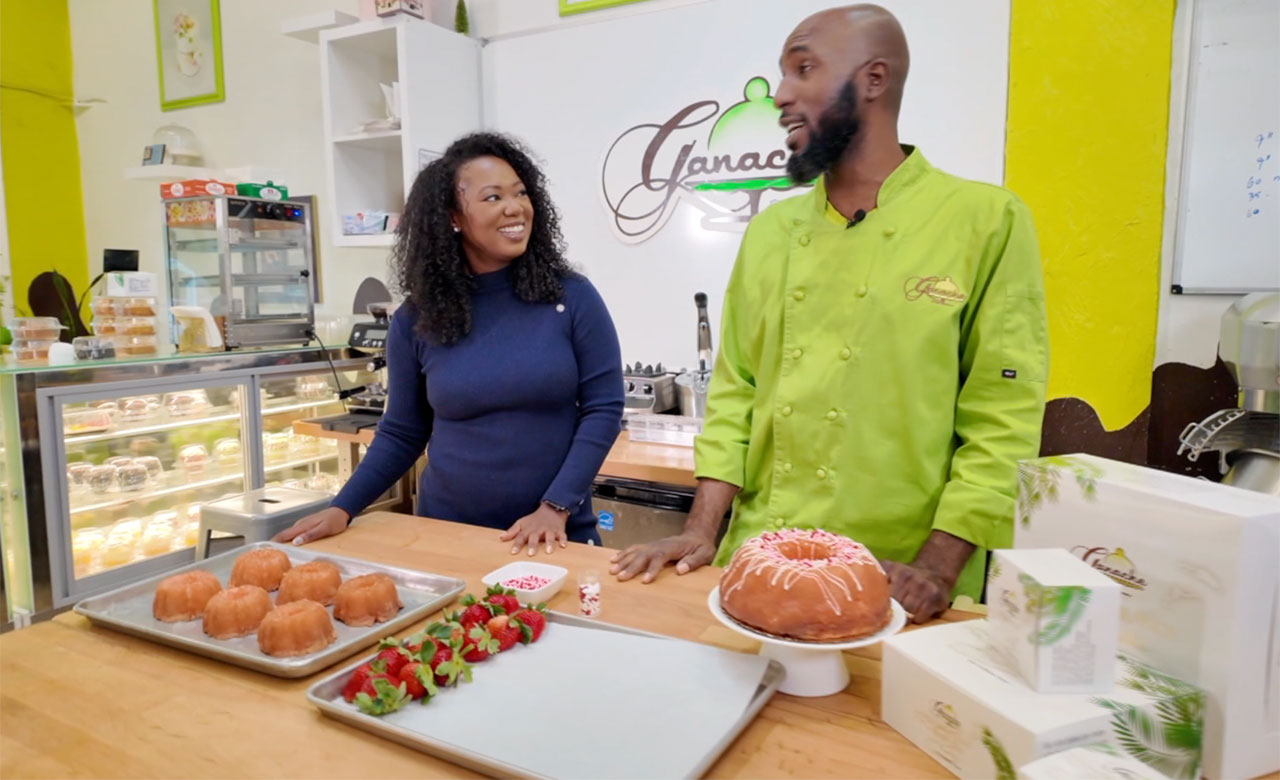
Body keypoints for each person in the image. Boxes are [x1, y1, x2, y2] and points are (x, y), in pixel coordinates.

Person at [610, 4, 1048, 623]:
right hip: (760, 557)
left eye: (804, 69)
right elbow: (737, 391)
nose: (782, 96)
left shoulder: (985, 220)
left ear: (874, 79)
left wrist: (937, 566)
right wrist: (704, 530)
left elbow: (1001, 419)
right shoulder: (771, 233)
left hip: (897, 576)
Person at [276, 132, 624, 554]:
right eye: (493, 197)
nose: (515, 207)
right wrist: (343, 507)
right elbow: (403, 431)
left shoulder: (570, 297)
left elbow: (604, 408)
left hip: (553, 534)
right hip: (448, 537)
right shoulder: (417, 320)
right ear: (453, 217)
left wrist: (556, 506)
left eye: (520, 193)